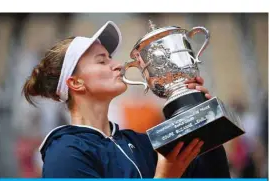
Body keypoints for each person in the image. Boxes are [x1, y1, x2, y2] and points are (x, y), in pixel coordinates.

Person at [22, 21, 230, 178]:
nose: (118, 65)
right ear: (76, 83)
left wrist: (200, 116)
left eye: (110, 57)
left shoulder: (141, 142)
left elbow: (214, 175)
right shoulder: (65, 152)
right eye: (102, 61)